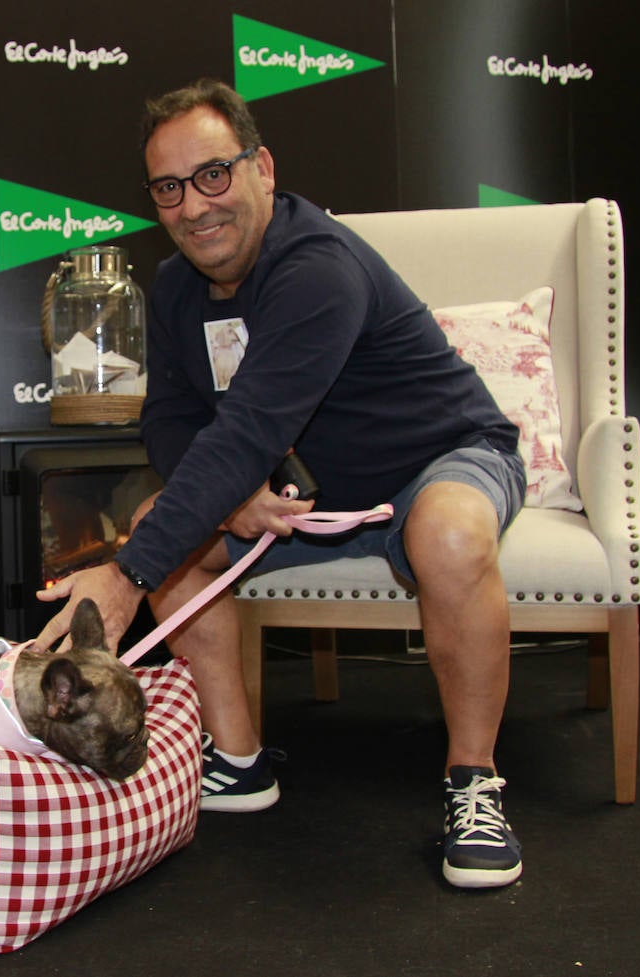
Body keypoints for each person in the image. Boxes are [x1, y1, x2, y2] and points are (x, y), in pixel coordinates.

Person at [34, 79, 528, 889]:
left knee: (446, 531)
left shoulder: (317, 268)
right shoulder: (175, 287)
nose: (194, 208)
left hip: (435, 460)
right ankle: (236, 759)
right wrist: (235, 492)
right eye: (169, 189)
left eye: (214, 175)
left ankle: (474, 780)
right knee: (168, 519)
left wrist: (127, 576)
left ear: (262, 167)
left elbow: (249, 427)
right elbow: (168, 419)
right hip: (307, 490)